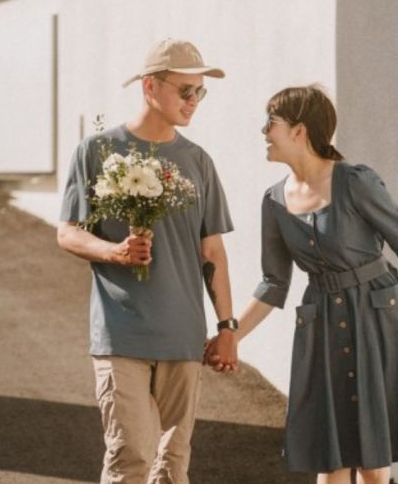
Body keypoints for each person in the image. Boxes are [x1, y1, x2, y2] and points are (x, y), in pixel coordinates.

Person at [206, 85, 398, 484]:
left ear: (299, 131)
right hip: (322, 325)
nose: (263, 131)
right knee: (335, 454)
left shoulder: (355, 182)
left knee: (372, 461)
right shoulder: (273, 201)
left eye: (270, 123)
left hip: (376, 321)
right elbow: (274, 283)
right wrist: (232, 334)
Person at [57, 38, 238, 484]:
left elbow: (211, 252)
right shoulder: (96, 152)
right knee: (130, 458)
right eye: (186, 91)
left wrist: (227, 328)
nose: (194, 101)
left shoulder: (198, 162)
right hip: (122, 332)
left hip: (183, 337)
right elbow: (67, 232)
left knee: (173, 467)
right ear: (150, 88)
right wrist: (113, 252)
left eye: (200, 92)